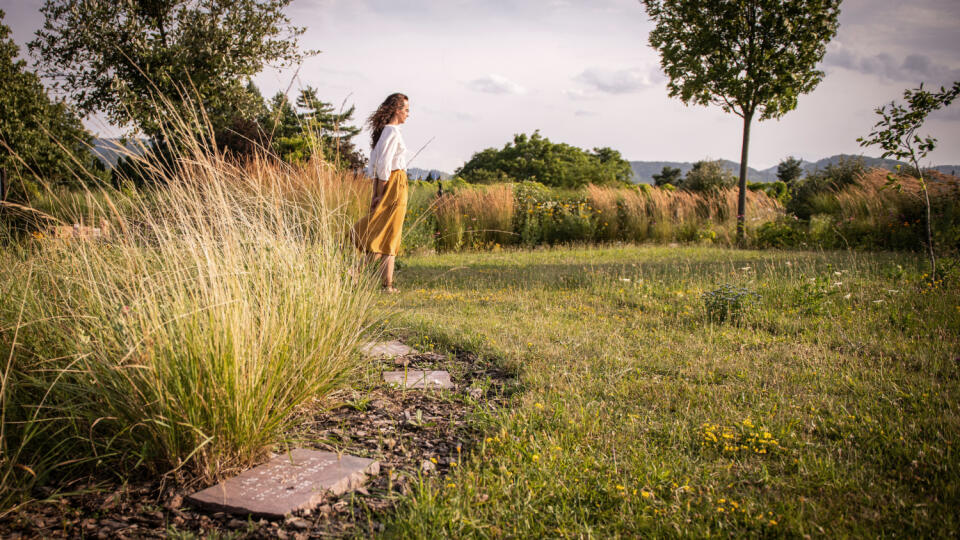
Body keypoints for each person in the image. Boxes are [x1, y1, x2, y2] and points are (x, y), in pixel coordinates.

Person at [353, 93, 410, 292]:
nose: (408, 115)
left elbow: (376, 168)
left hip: (390, 183)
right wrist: (381, 193)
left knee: (389, 233)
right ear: (397, 109)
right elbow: (383, 166)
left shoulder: (386, 133)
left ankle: (387, 284)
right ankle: (357, 273)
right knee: (389, 232)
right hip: (395, 184)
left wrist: (376, 193)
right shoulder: (392, 132)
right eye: (406, 110)